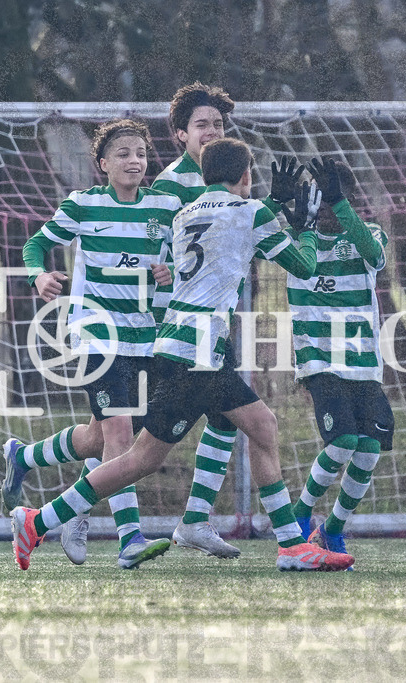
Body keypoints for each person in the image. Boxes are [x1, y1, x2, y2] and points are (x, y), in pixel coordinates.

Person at [10, 137, 354, 572]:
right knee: (244, 431)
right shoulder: (251, 213)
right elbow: (305, 267)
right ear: (246, 176)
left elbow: (227, 232)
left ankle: (38, 520)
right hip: (201, 351)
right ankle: (291, 544)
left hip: (173, 346)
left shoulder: (187, 213)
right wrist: (301, 225)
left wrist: (273, 206)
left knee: (154, 455)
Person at [1, 118, 179, 569]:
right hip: (94, 332)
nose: (134, 160)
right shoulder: (84, 205)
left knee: (102, 437)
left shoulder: (165, 207)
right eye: (123, 153)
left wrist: (170, 272)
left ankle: (25, 457)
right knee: (120, 435)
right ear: (103, 163)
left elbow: (180, 261)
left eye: (140, 152)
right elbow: (35, 246)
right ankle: (130, 538)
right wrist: (39, 275)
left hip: (144, 338)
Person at [281, 157, 394, 566]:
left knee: (368, 448)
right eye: (318, 200)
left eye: (331, 200)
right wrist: (281, 207)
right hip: (318, 360)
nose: (324, 209)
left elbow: (376, 257)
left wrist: (340, 205)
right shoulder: (294, 241)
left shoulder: (368, 235)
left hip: (363, 362)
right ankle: (299, 512)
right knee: (343, 440)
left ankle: (332, 529)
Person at [149, 82, 242, 559]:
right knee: (130, 438)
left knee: (228, 420)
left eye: (218, 124)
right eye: (202, 124)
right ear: (181, 133)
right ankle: (68, 514)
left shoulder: (229, 178)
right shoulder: (169, 186)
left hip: (218, 320)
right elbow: (153, 254)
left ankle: (196, 520)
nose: (211, 132)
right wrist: (158, 274)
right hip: (177, 328)